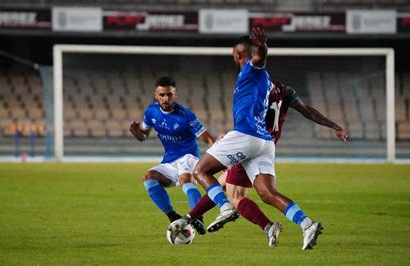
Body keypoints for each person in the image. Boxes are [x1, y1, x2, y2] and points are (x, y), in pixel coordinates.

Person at [175, 80, 348, 248]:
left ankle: (261, 223)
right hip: (267, 146)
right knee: (262, 192)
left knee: (233, 195)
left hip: (249, 145)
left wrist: (227, 140)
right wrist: (334, 126)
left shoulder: (254, 89)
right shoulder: (285, 90)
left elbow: (248, 122)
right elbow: (308, 111)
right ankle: (307, 224)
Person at [169, 27, 280, 241]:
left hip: (246, 136)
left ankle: (228, 209)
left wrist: (263, 46)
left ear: (237, 55)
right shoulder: (262, 80)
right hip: (261, 140)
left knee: (202, 172)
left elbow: (259, 58)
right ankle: (194, 216)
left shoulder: (251, 68)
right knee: (221, 182)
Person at [129, 76, 215, 235]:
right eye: (162, 95)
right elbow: (143, 136)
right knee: (149, 177)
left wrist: (220, 158)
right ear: (156, 95)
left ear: (175, 95)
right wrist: (136, 132)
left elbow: (208, 139)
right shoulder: (151, 111)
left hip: (189, 157)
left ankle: (198, 218)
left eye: (169, 94)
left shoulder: (186, 115)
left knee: (185, 181)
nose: (166, 98)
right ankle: (173, 216)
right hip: (169, 160)